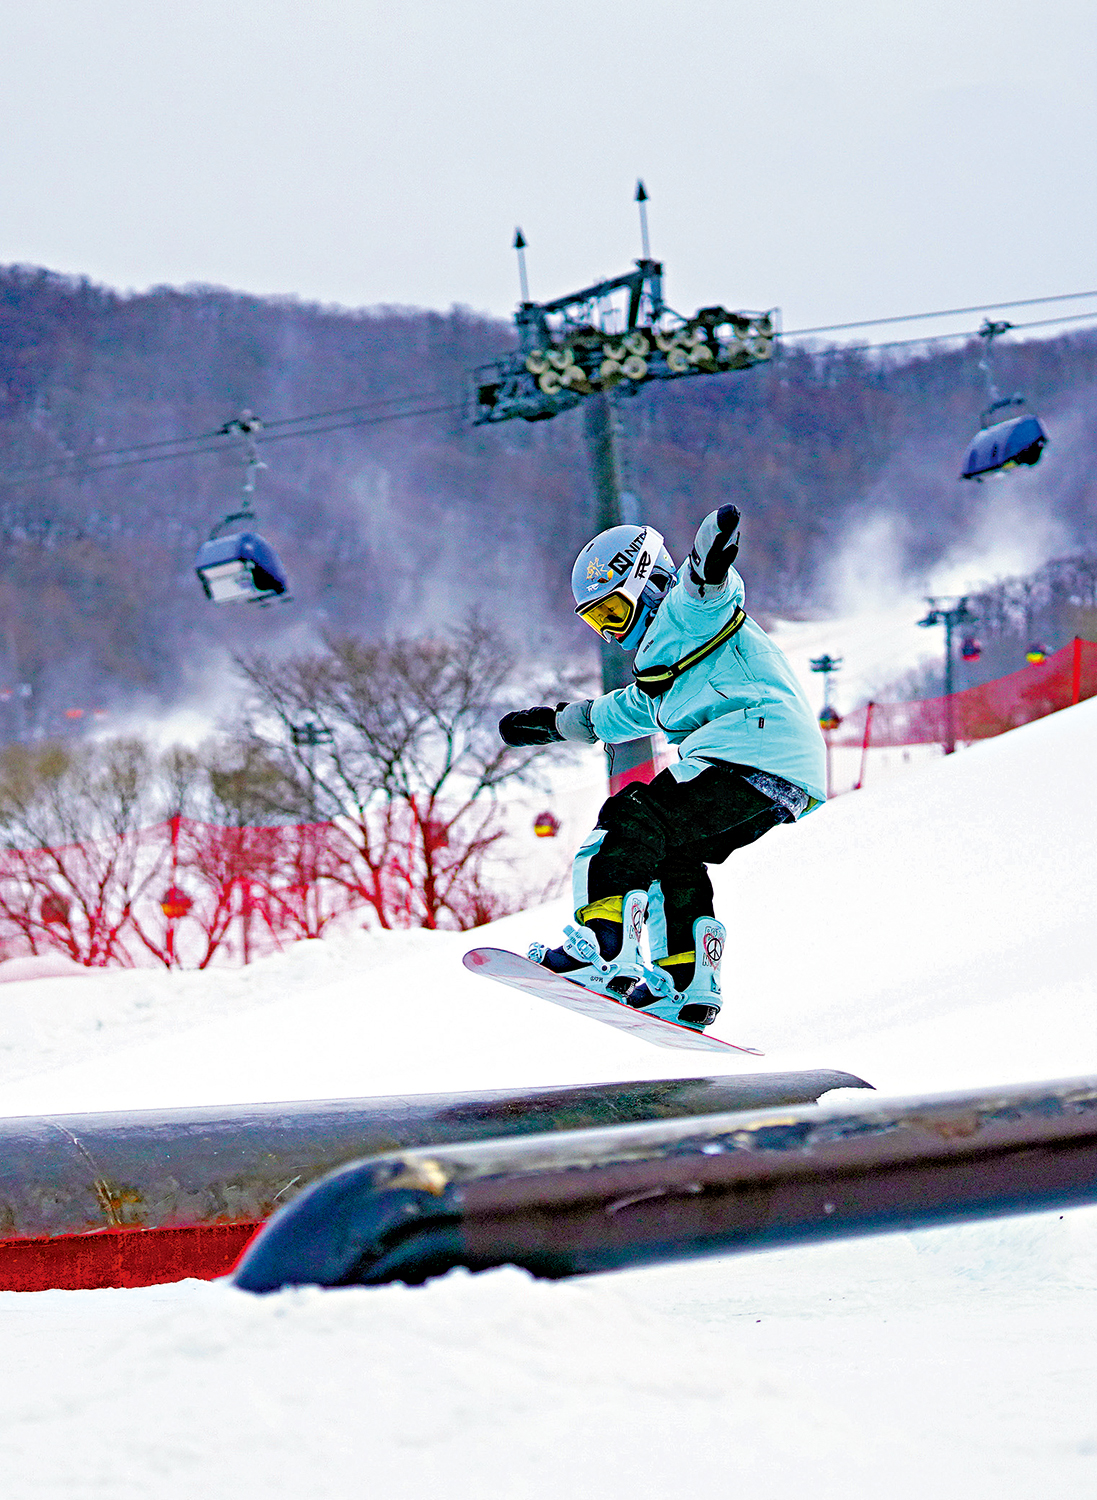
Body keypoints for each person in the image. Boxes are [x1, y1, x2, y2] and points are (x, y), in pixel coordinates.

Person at [498, 506, 826, 1032]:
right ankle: (687, 984)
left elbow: (705, 588)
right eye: (598, 622)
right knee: (673, 855)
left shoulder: (687, 613)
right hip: (779, 774)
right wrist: (554, 724)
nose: (612, 633)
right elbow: (621, 711)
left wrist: (710, 554)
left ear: (648, 582)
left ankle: (601, 946)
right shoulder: (665, 667)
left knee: (631, 817)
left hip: (749, 751)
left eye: (614, 611)